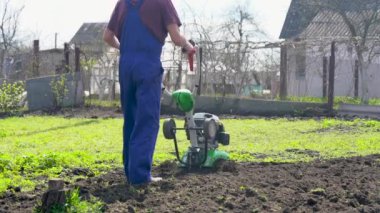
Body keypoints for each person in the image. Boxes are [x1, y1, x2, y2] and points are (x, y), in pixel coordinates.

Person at [103, 0, 195, 185]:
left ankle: (131, 174)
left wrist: (126, 49)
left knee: (131, 120)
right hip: (147, 65)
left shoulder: (123, 3)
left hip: (126, 66)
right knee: (147, 120)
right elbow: (176, 38)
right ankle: (140, 177)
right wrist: (188, 46)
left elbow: (107, 36)